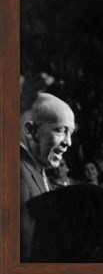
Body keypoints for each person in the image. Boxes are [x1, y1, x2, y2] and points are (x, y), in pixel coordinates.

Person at [20, 92, 76, 262]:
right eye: (60, 130)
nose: (69, 142)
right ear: (31, 131)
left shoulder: (37, 168)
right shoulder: (16, 173)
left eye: (71, 132)